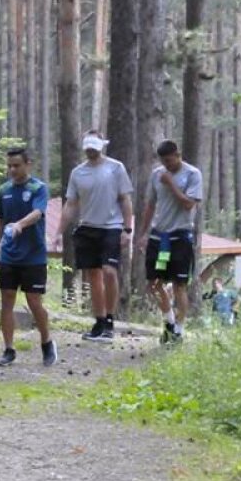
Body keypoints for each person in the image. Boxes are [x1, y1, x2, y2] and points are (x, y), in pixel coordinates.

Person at [57, 130, 134, 341]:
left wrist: (128, 229)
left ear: (101, 146)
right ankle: (99, 320)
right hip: (88, 226)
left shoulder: (115, 168)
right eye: (88, 148)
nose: (91, 151)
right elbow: (71, 204)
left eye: (94, 148)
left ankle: (110, 320)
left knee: (110, 271)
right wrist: (58, 232)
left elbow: (125, 199)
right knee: (93, 275)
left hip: (112, 226)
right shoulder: (78, 173)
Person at [0, 148, 57, 367]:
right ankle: (9, 349)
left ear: (28, 164)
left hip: (34, 255)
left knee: (34, 302)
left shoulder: (38, 188)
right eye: (9, 165)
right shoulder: (3, 190)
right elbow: (1, 220)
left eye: (16, 165)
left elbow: (38, 213)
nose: (12, 170)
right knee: (6, 299)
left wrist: (19, 225)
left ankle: (46, 342)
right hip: (9, 255)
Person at [136, 140, 202, 343]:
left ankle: (179, 330)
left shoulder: (193, 174)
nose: (166, 165)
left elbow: (189, 204)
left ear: (178, 154)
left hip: (180, 236)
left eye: (169, 160)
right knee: (154, 283)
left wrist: (171, 184)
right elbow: (150, 204)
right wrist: (143, 233)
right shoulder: (156, 174)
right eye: (163, 161)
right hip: (159, 236)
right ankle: (169, 322)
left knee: (179, 285)